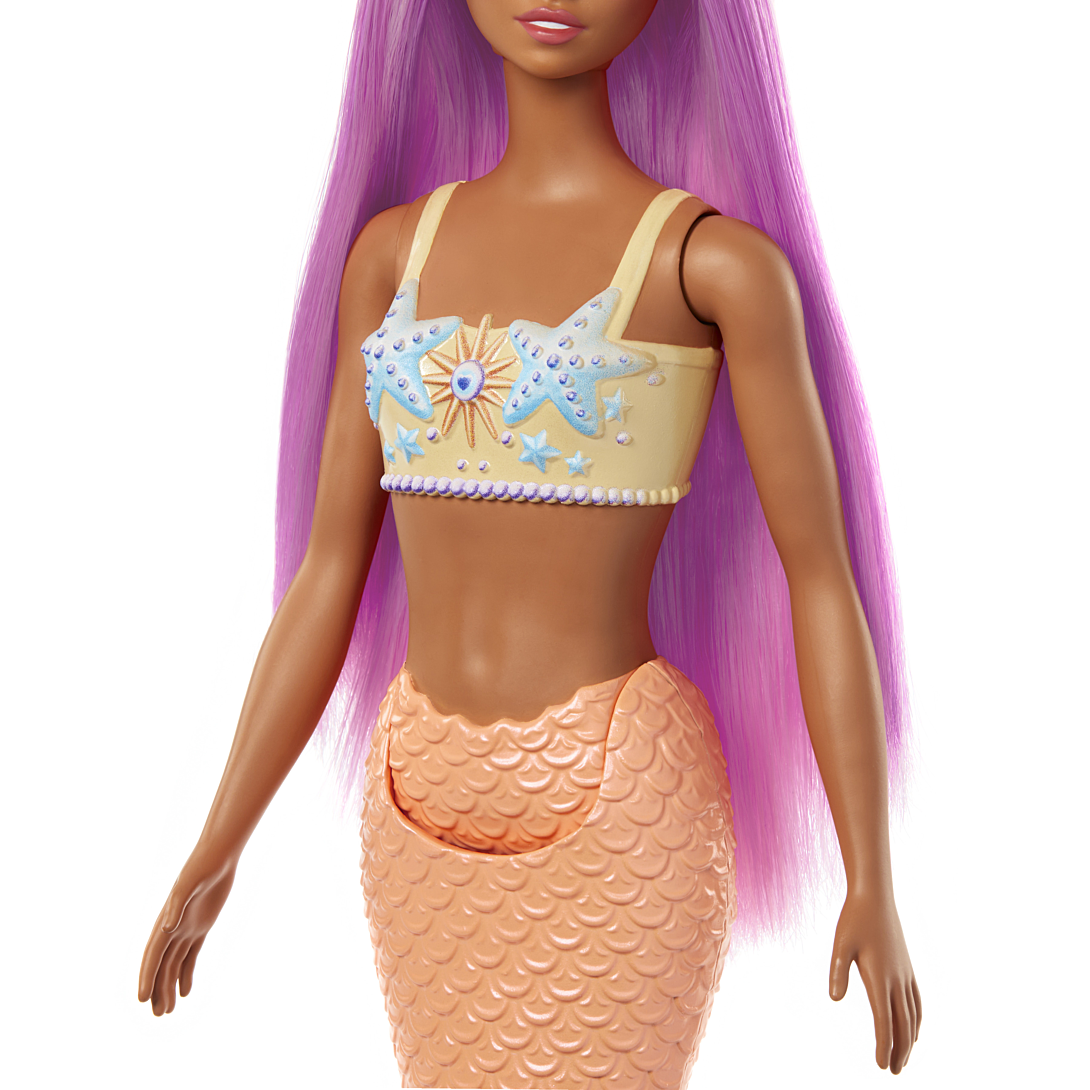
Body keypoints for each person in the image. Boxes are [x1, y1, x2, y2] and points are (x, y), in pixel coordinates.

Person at [139, 1, 921, 1085]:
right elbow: (326, 572)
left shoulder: (715, 268)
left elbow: (820, 578)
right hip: (415, 794)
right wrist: (218, 842)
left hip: (622, 795)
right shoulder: (390, 255)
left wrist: (871, 877)